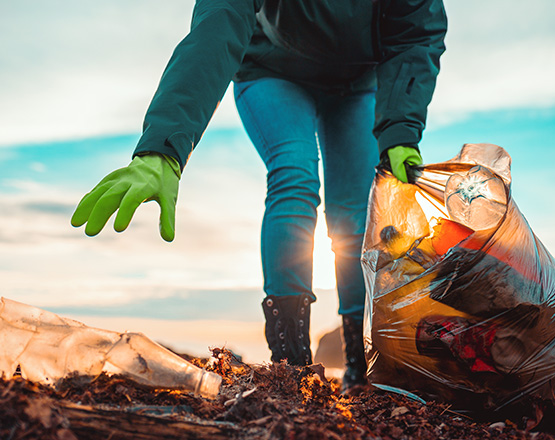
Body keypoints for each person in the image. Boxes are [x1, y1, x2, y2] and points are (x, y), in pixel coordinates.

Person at [71, 0, 447, 393]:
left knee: (354, 217)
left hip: (358, 84)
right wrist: (165, 145)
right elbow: (219, 23)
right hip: (273, 70)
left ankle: (360, 358)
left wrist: (400, 131)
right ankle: (291, 362)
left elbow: (417, 30)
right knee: (294, 176)